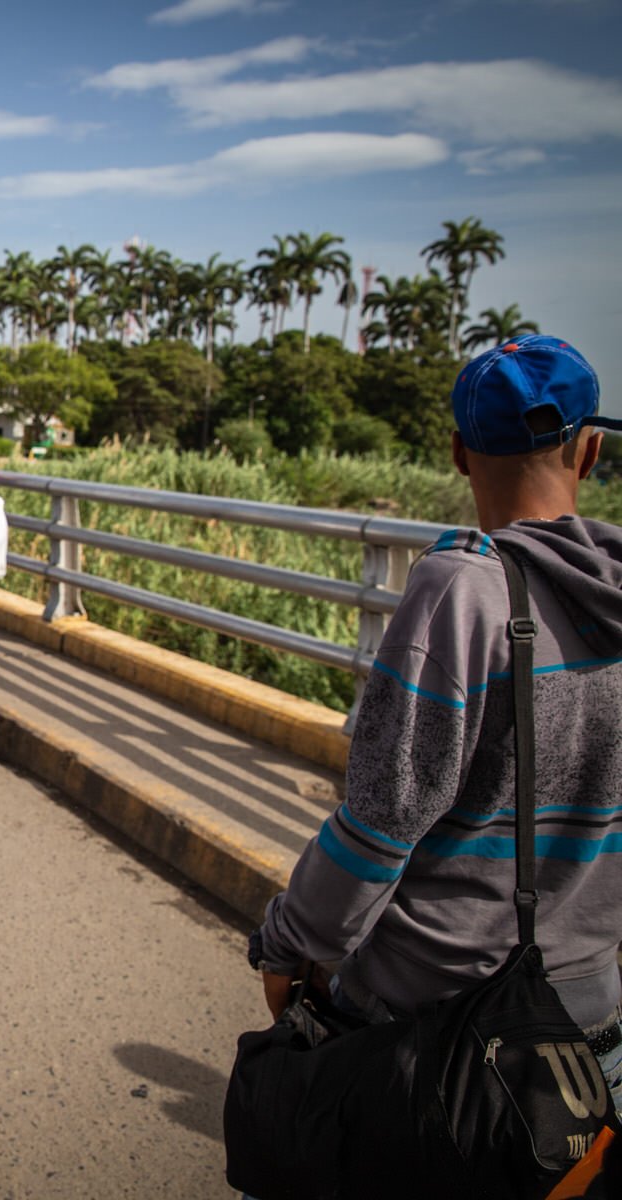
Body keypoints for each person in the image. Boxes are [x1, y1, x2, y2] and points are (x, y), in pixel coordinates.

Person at [247, 335, 622, 1114]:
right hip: (591, 1018)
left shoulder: (463, 592)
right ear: (589, 452)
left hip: (443, 1018)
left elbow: (383, 821)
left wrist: (288, 941)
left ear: (457, 451)